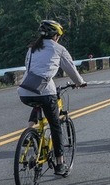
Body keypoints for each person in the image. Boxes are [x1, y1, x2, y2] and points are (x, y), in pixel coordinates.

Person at [18, 20, 84, 176]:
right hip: (46, 91)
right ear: (55, 36)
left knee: (37, 103)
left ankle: (29, 132)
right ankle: (60, 163)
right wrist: (80, 83)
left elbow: (31, 69)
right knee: (55, 125)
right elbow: (71, 70)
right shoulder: (59, 49)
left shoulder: (31, 49)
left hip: (25, 91)